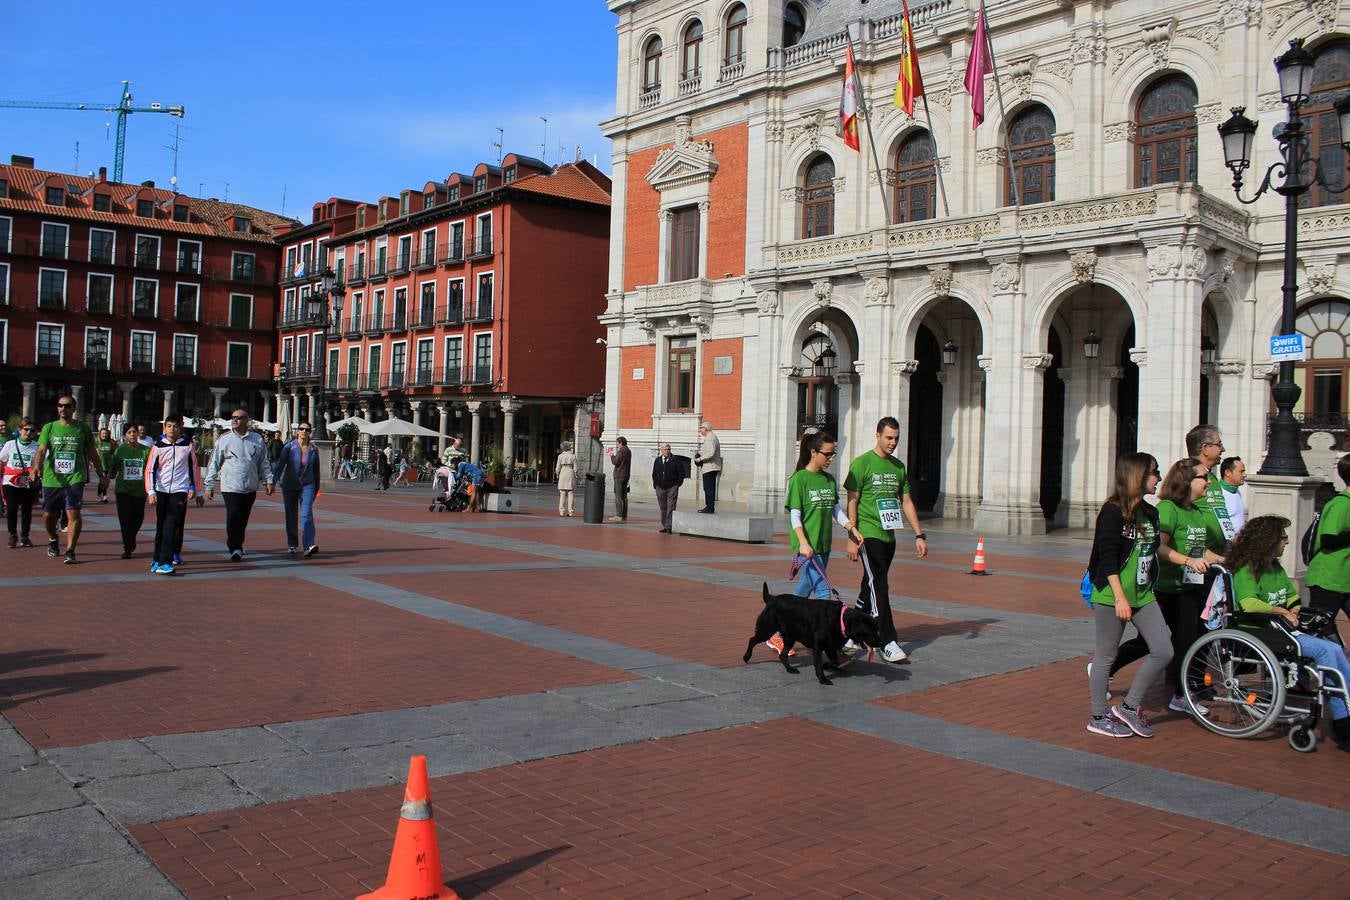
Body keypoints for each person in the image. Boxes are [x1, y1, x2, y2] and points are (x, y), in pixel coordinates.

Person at [1110, 458, 1224, 712]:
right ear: (1187, 481)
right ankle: (1105, 668)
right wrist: (1188, 561)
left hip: (1186, 586)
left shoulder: (1195, 511)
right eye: (1203, 478)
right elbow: (1159, 546)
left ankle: (1181, 694)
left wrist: (1221, 559)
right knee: (1148, 642)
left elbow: (1195, 547)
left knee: (1187, 640)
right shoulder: (1169, 509)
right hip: (1163, 586)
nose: (1208, 482)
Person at [1227, 514, 1350, 746]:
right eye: (1282, 537)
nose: (1287, 541)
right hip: (1262, 633)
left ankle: (1346, 706)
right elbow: (1249, 604)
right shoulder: (1247, 571)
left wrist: (1293, 609)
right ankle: (1343, 719)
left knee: (1334, 648)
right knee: (1327, 652)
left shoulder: (1275, 567)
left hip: (1283, 629)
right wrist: (1282, 612)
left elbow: (1292, 596)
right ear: (1269, 540)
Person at [1085, 452, 1169, 739]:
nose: (1158, 477)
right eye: (1154, 472)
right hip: (1111, 593)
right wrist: (1120, 597)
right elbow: (1107, 557)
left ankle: (1130, 706)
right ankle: (1098, 716)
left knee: (1163, 649)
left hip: (1143, 594)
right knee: (1106, 656)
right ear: (1137, 475)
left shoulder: (1151, 512)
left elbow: (1153, 550)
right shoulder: (1112, 511)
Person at [765, 430, 866, 656]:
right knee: (823, 593)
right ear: (813, 452)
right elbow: (795, 516)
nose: (830, 459)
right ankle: (831, 648)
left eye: (833, 454)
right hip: (807, 548)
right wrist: (802, 542)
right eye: (827, 454)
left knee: (803, 590)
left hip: (824, 545)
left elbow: (835, 510)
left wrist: (851, 527)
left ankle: (777, 632)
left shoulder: (829, 480)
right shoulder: (799, 479)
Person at [843, 416, 927, 664]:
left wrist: (919, 534)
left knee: (869, 586)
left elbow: (907, 502)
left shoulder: (898, 467)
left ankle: (850, 633)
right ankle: (887, 640)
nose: (893, 442)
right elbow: (852, 500)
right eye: (889, 437)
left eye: (896, 439)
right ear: (877, 435)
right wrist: (851, 535)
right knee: (879, 585)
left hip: (888, 536)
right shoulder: (861, 464)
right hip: (867, 535)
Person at [30, 394, 103, 565]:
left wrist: (101, 473)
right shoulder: (49, 427)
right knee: (49, 515)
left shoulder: (82, 428)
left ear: (74, 409)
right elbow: (41, 450)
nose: (63, 409)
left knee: (73, 513)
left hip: (75, 477)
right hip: (52, 478)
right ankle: (53, 538)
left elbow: (92, 452)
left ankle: (71, 550)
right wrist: (36, 467)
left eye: (67, 406)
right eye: (60, 405)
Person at [204, 409, 274, 562]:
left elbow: (264, 462)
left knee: (243, 518)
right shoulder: (224, 439)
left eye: (238, 418)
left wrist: (269, 480)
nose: (234, 420)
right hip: (230, 486)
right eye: (233, 417)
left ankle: (238, 543)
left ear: (246, 420)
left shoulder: (257, 439)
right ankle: (234, 546)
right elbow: (214, 463)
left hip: (250, 486)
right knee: (234, 514)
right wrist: (209, 485)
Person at [144, 414, 203, 575]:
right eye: (169, 426)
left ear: (180, 427)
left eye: (175, 426)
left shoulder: (187, 445)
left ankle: (165, 561)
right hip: (161, 490)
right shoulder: (158, 446)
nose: (172, 429)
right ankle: (157, 559)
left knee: (171, 524)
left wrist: (198, 490)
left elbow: (194, 468)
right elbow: (150, 469)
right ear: (164, 428)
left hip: (180, 490)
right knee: (161, 525)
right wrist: (151, 491)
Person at [1307, 453, 1350, 627]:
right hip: (1328, 579)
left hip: (1344, 579)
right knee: (1318, 629)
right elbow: (1328, 539)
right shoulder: (1340, 504)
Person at [274, 421, 322, 557]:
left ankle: (309, 545)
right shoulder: (289, 447)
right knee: (291, 515)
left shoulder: (313, 449)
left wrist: (317, 488)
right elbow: (280, 465)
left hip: (308, 485)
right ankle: (292, 543)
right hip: (289, 485)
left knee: (306, 514)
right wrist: (272, 481)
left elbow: (316, 471)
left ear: (310, 432)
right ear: (297, 431)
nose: (304, 431)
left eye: (307, 429)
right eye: (301, 429)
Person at [1186, 424, 1236, 545]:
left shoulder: (1212, 477)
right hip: (1199, 556)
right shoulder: (1186, 474)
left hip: (1220, 551)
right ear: (1205, 449)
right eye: (1219, 444)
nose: (1222, 449)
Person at [110, 423, 150, 558]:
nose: (132, 435)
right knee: (125, 518)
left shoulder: (146, 451)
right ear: (125, 436)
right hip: (123, 490)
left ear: (138, 434)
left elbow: (151, 470)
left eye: (134, 432)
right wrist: (108, 476)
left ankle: (130, 537)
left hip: (139, 490)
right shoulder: (120, 450)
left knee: (138, 518)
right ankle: (127, 547)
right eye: (129, 433)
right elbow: (114, 466)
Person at [1, 418, 41, 548]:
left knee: (26, 510)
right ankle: (12, 535)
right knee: (11, 509)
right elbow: (2, 461)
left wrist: (36, 472)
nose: (28, 432)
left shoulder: (36, 447)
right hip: (10, 482)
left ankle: (25, 536)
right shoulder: (10, 444)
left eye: (32, 430)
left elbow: (42, 464)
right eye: (26, 429)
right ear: (20, 430)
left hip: (27, 483)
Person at [652, 443, 682, 533]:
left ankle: (669, 526)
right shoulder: (658, 460)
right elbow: (654, 473)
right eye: (665, 449)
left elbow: (681, 473)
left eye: (668, 449)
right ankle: (665, 525)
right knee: (663, 507)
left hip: (672, 487)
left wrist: (677, 484)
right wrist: (655, 484)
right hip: (660, 487)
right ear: (661, 450)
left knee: (671, 507)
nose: (667, 451)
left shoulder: (675, 460)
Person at [694, 422, 721, 513]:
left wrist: (700, 459)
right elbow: (707, 450)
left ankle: (709, 507)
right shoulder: (710, 437)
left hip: (710, 467)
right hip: (710, 467)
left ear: (705, 428)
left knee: (708, 488)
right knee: (709, 487)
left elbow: (711, 452)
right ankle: (709, 506)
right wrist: (699, 453)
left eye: (701, 428)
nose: (700, 429)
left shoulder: (710, 438)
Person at [1219, 456, 1247, 534]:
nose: (1245, 475)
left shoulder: (1237, 491)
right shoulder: (1218, 493)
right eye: (1241, 471)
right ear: (1227, 472)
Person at [609, 436, 631, 522]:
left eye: (617, 443)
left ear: (621, 443)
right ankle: (624, 515)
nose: (616, 445)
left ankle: (618, 515)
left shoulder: (621, 451)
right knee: (624, 496)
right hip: (626, 475)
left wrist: (612, 456)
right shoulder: (628, 451)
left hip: (619, 476)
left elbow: (616, 462)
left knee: (618, 496)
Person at [555, 441, 577, 517]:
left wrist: (557, 474)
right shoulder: (573, 456)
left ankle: (561, 511)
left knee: (562, 493)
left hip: (563, 472)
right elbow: (575, 468)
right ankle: (571, 511)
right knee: (571, 493)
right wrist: (576, 475)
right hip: (570, 472)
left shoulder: (560, 456)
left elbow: (557, 468)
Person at [95, 427, 116, 503]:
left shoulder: (111, 443)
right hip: (100, 465)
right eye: (103, 433)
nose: (104, 435)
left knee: (106, 481)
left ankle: (100, 495)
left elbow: (114, 453)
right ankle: (103, 496)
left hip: (108, 465)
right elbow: (94, 453)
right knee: (102, 480)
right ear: (100, 434)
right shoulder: (97, 442)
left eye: (106, 433)